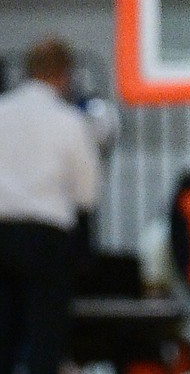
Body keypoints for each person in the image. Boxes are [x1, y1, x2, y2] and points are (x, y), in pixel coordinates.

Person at [0, 37, 101, 374]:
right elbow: (87, 191)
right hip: (46, 236)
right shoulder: (67, 120)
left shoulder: (1, 112)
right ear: (64, 74)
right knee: (46, 335)